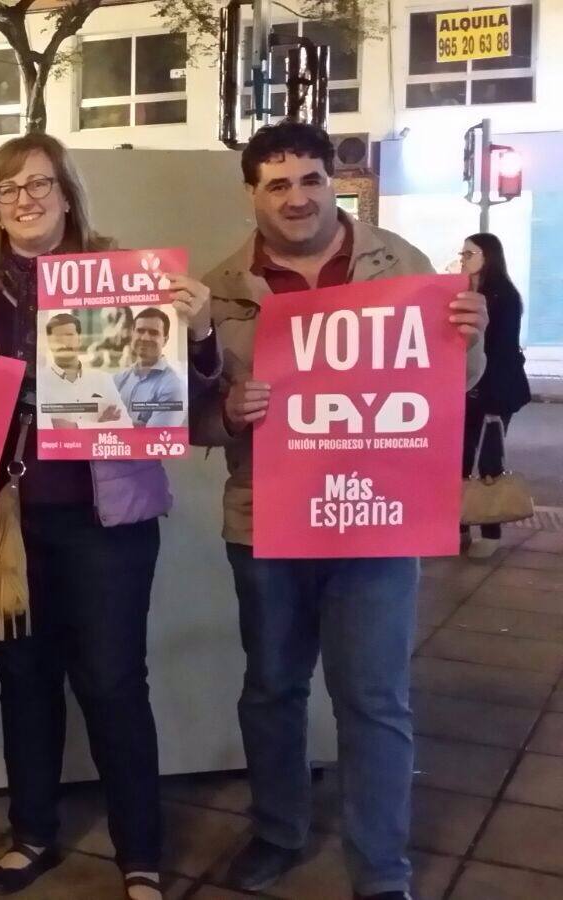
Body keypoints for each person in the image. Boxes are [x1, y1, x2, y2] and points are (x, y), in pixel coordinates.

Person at [192, 121, 487, 900]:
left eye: (310, 179)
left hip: (377, 517)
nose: (296, 197)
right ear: (252, 193)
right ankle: (279, 831)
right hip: (266, 520)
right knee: (273, 688)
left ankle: (382, 870)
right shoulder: (219, 287)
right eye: (277, 184)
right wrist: (228, 408)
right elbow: (187, 418)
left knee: (374, 698)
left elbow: (451, 386)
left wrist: (473, 338)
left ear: (335, 181)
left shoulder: (401, 264)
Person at [0, 133, 217, 900]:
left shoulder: (124, 276)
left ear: (66, 193)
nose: (24, 200)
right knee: (22, 678)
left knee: (113, 681)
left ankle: (141, 853)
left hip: (107, 517)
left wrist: (198, 335)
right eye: (8, 189)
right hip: (8, 519)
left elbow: (186, 403)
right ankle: (32, 833)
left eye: (38, 185)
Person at [458, 232, 531, 558]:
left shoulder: (499, 295)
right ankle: (459, 524)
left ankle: (489, 531)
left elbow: (497, 349)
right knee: (459, 457)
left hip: (494, 390)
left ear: (488, 256)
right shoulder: (473, 291)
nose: (463, 258)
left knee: (489, 458)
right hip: (470, 389)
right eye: (462, 253)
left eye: (469, 253)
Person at [38, 312, 134, 430]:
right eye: (57, 338)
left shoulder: (102, 379)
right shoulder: (39, 383)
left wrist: (75, 427)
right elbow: (44, 429)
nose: (64, 343)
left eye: (69, 335)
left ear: (79, 339)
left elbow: (126, 425)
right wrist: (101, 425)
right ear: (49, 343)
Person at [114, 307, 188, 427]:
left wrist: (114, 423)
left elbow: (156, 437)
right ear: (132, 334)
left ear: (165, 340)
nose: (145, 338)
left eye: (154, 333)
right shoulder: (118, 379)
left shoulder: (174, 386)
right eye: (140, 331)